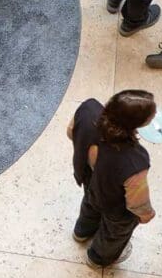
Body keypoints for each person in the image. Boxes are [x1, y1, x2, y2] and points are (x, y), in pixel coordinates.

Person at [67, 90, 157, 267]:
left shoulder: (87, 110)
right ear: (136, 124)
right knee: (114, 233)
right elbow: (136, 201)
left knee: (90, 204)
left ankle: (82, 232)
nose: (154, 115)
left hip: (91, 180)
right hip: (115, 204)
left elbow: (71, 132)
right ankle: (98, 258)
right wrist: (146, 215)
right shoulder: (134, 160)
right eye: (151, 115)